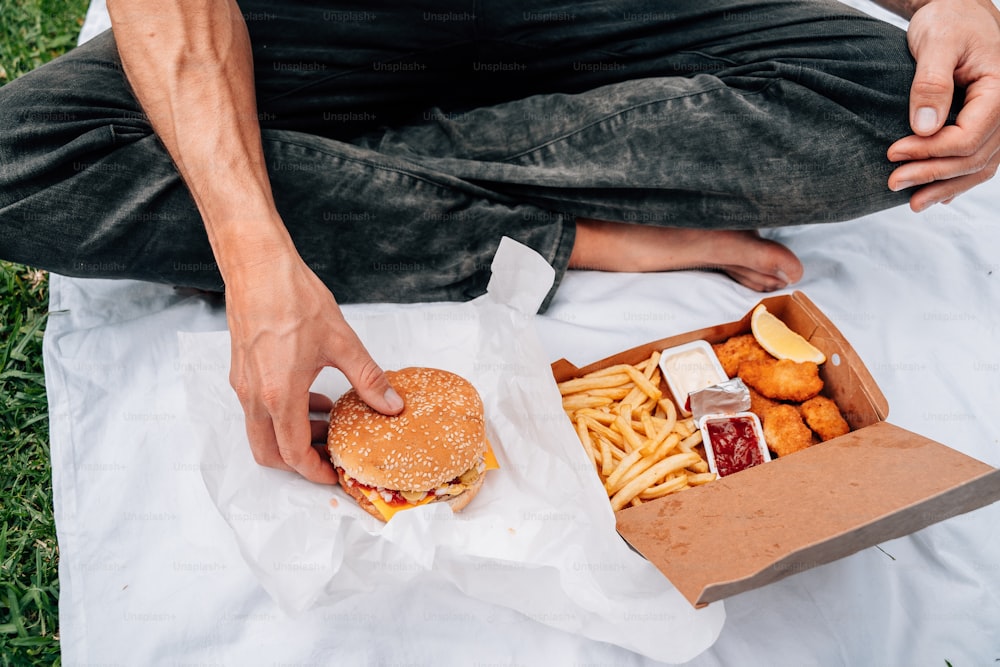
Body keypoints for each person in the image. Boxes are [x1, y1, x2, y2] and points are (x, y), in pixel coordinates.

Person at [1, 0, 998, 484]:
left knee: (910, 106)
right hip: (313, 21)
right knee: (22, 160)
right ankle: (575, 222)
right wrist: (253, 248)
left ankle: (324, 165)